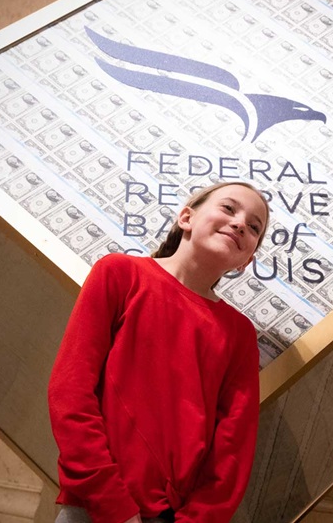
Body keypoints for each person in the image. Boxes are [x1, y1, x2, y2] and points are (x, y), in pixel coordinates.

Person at [49, 182, 270, 523]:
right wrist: (114, 503)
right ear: (186, 217)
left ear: (247, 259)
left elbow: (233, 451)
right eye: (229, 209)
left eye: (254, 227)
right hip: (94, 506)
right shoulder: (120, 273)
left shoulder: (239, 334)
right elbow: (70, 392)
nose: (241, 223)